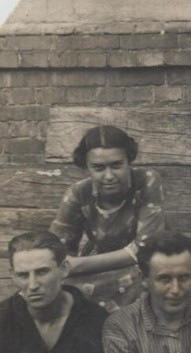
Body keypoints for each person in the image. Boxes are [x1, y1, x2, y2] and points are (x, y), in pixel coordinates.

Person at [49, 125, 167, 310]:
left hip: (143, 263)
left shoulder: (146, 180)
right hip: (98, 265)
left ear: (128, 161)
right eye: (98, 168)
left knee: (147, 280)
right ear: (87, 167)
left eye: (117, 165)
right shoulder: (79, 193)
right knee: (55, 285)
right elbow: (55, 248)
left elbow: (146, 247)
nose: (109, 176)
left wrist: (78, 265)